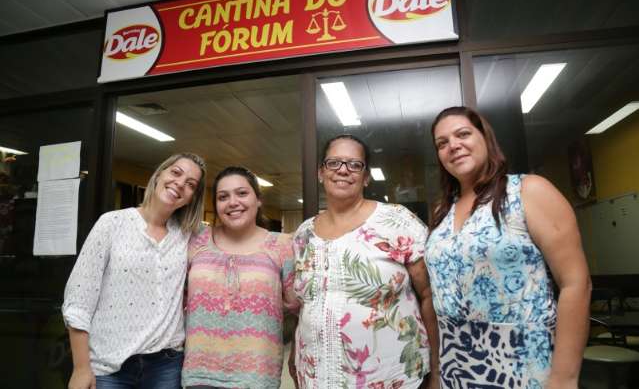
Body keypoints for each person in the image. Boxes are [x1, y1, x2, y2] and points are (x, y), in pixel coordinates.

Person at [425, 106, 591, 388]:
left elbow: (576, 284)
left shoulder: (529, 191)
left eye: (462, 134)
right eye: (442, 143)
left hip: (522, 362)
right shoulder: (442, 211)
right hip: (456, 363)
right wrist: (439, 372)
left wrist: (564, 378)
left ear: (485, 138)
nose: (453, 146)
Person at [291, 134, 439, 388]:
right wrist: (295, 356)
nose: (343, 171)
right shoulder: (304, 234)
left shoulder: (397, 221)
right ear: (320, 172)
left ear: (366, 176)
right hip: (317, 376)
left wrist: (436, 372)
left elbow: (429, 296)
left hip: (391, 378)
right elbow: (304, 305)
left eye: (354, 164)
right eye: (334, 163)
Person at [62, 152, 207, 389]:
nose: (180, 184)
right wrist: (80, 368)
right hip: (110, 367)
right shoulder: (111, 223)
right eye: (176, 172)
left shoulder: (188, 235)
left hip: (166, 365)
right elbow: (79, 299)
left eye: (191, 184)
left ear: (192, 197)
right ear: (160, 174)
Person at [182, 166, 299, 389]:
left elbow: (297, 306)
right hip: (200, 374)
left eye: (242, 193)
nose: (233, 202)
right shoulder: (196, 240)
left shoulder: (282, 245)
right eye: (223, 197)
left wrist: (296, 353)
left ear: (258, 200)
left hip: (256, 376)